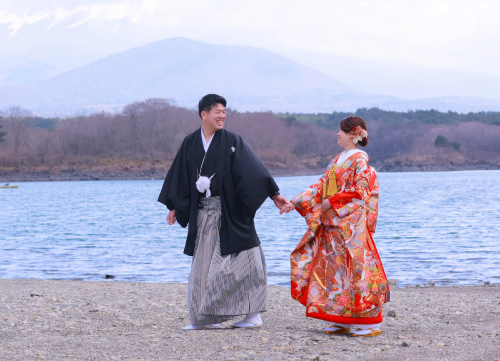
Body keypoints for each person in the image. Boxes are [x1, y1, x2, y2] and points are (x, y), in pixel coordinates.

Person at [158, 94, 291, 330]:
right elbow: (179, 174)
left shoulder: (232, 140)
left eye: (224, 111)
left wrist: (273, 194)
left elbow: (253, 171)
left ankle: (252, 315)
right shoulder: (190, 142)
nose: (222, 116)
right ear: (204, 114)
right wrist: (174, 206)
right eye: (217, 111)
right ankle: (204, 318)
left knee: (247, 263)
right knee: (203, 269)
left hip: (230, 211)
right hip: (203, 216)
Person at [282, 116, 389, 337]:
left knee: (355, 271)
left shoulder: (359, 160)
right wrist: (296, 201)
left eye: (340, 131)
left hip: (350, 226)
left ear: (352, 133)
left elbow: (361, 192)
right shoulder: (339, 158)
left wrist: (332, 201)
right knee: (334, 273)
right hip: (332, 224)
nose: (337, 134)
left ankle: (368, 323)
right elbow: (321, 184)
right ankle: (340, 318)